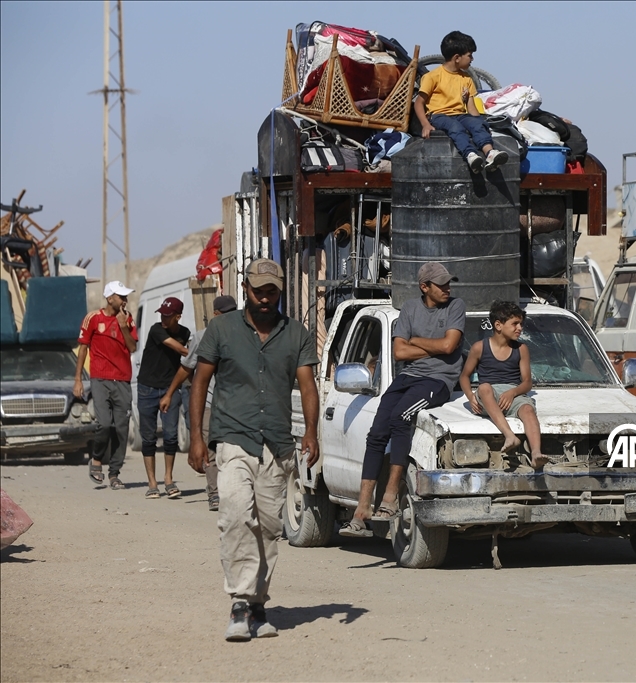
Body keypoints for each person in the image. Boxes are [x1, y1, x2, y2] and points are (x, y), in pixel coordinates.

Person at [188, 259, 319, 642]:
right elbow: (200, 381)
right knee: (233, 511)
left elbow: (307, 385)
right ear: (245, 289)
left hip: (276, 443)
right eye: (258, 291)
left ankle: (258, 604)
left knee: (267, 527)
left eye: (271, 292)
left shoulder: (296, 334)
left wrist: (311, 433)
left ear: (280, 292)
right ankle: (240, 603)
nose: (264, 298)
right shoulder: (222, 329)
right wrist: (197, 437)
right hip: (232, 438)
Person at [340, 262, 465, 538]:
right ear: (424, 287)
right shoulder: (409, 308)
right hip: (407, 378)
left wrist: (417, 342)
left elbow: (449, 346)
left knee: (400, 418)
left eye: (448, 283)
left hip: (437, 382)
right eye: (441, 284)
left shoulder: (455, 306)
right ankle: (361, 510)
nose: (447, 288)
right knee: (376, 435)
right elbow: (399, 352)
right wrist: (434, 347)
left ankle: (391, 497)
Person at [159, 294, 237, 511]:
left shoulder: (242, 335)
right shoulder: (202, 337)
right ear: (215, 315)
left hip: (234, 405)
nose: (229, 319)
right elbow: (186, 368)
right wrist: (169, 394)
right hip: (210, 403)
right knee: (210, 449)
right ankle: (214, 493)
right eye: (225, 315)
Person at [460, 301, 547, 469]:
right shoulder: (480, 347)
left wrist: (512, 392)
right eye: (515, 323)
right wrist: (471, 397)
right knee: (484, 387)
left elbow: (527, 382)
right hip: (489, 396)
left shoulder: (521, 349)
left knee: (528, 410)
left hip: (512, 394)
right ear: (498, 325)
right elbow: (464, 376)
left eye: (521, 323)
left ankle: (536, 453)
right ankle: (509, 435)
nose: (519, 328)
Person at [414, 30, 508, 174]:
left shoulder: (467, 79)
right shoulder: (432, 77)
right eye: (470, 55)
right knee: (455, 127)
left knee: (476, 123)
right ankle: (470, 155)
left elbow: (471, 109)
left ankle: (490, 153)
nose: (472, 59)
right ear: (457, 57)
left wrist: (481, 123)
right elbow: (419, 103)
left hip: (460, 115)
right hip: (439, 115)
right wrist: (425, 124)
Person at [74, 280, 138, 491]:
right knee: (104, 424)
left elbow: (132, 347)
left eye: (126, 296)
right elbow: (83, 349)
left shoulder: (127, 320)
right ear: (110, 298)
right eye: (121, 296)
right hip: (100, 379)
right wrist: (78, 380)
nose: (125, 300)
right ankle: (97, 459)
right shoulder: (93, 318)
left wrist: (122, 326)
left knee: (121, 428)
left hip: (122, 379)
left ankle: (114, 474)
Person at [137, 297, 190, 500]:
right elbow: (178, 349)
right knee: (148, 437)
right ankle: (152, 483)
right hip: (147, 388)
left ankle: (168, 479)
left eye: (167, 316)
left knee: (171, 436)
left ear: (177, 317)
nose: (163, 318)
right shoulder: (156, 329)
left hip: (170, 387)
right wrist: (197, 353)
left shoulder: (184, 333)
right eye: (162, 314)